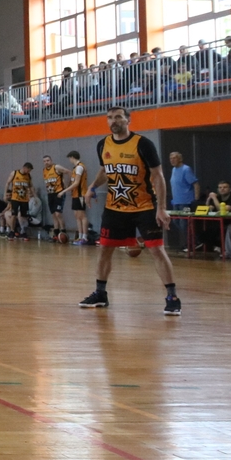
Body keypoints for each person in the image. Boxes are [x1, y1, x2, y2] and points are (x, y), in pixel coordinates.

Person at [79, 107, 180, 315]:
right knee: (104, 249)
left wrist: (161, 208)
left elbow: (158, 176)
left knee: (157, 250)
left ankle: (172, 297)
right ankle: (100, 293)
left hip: (144, 206)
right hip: (114, 208)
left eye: (118, 117)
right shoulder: (103, 144)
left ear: (128, 120)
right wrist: (92, 187)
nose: (113, 121)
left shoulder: (143, 144)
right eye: (109, 118)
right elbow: (105, 170)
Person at [168, 152, 200, 248]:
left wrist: (196, 199)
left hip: (186, 201)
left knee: (184, 223)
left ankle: (192, 243)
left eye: (174, 158)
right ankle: (193, 241)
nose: (172, 160)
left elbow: (195, 184)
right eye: (171, 158)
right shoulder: (174, 169)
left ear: (180, 159)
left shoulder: (186, 169)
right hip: (176, 201)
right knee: (175, 222)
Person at [42, 155, 71, 242]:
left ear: (51, 160)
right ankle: (56, 234)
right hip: (50, 194)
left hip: (59, 193)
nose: (46, 162)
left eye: (48, 160)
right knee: (54, 215)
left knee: (58, 214)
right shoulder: (44, 170)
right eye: (44, 161)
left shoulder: (56, 167)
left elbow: (68, 172)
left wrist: (68, 185)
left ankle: (63, 232)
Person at [203, 180, 231, 255]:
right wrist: (209, 199)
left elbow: (223, 209)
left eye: (225, 187)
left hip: (230, 221)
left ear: (230, 189)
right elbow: (207, 208)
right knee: (205, 233)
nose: (222, 189)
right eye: (220, 187)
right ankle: (217, 246)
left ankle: (226, 250)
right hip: (218, 221)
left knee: (223, 229)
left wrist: (214, 198)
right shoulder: (218, 196)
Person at [66, 150, 91, 244]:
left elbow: (76, 183)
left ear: (72, 157)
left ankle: (85, 237)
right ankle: (79, 236)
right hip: (75, 195)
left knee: (82, 216)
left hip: (81, 195)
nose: (69, 160)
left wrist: (64, 191)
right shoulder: (75, 168)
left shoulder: (80, 167)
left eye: (69, 158)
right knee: (77, 216)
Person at [5, 162, 34, 240]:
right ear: (25, 168)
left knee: (23, 216)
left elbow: (31, 186)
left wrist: (34, 196)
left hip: (24, 199)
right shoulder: (14, 173)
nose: (29, 172)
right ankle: (12, 231)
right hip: (15, 198)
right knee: (14, 215)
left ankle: (23, 232)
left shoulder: (28, 176)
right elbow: (7, 183)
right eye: (29, 170)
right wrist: (5, 194)